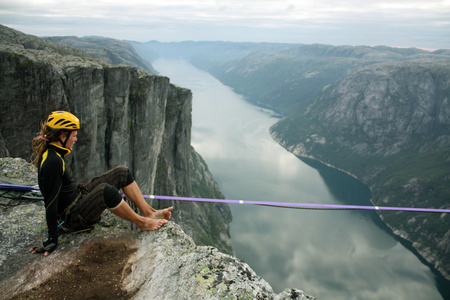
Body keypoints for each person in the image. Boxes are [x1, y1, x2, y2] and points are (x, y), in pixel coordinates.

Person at [29, 111, 173, 256]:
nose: (76, 139)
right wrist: (52, 240)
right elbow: (51, 203)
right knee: (107, 191)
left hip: (76, 200)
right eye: (74, 135)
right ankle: (142, 222)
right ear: (62, 136)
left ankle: (150, 213)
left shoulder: (54, 154)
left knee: (122, 172)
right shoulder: (52, 162)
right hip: (72, 218)